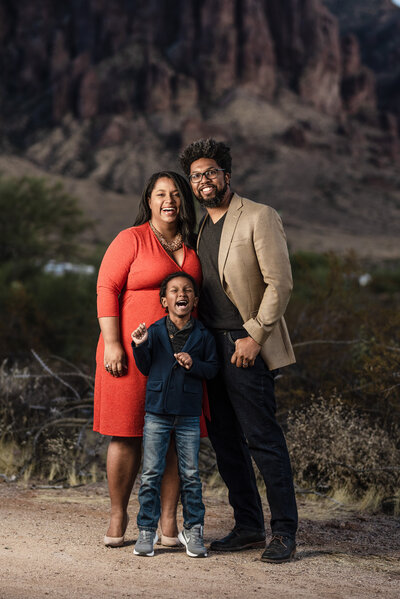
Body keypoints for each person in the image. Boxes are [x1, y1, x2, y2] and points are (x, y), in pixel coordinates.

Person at [179, 138, 298, 563]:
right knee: (227, 441)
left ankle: (283, 532)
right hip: (210, 347)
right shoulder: (200, 227)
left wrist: (255, 335)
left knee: (263, 439)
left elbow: (279, 284)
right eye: (195, 176)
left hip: (244, 344)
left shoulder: (260, 216)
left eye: (210, 172)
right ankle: (248, 526)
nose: (203, 181)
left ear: (226, 175)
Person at [93, 171, 202, 548]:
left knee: (173, 434)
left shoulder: (192, 243)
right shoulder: (131, 239)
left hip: (179, 356)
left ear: (183, 201)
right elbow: (107, 287)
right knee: (126, 432)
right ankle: (118, 516)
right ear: (149, 200)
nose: (168, 200)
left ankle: (168, 525)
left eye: (175, 193)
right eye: (160, 194)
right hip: (130, 349)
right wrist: (112, 343)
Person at [131, 272, 219, 558]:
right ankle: (146, 531)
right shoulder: (154, 331)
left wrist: (194, 364)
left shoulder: (204, 335)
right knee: (150, 474)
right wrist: (140, 344)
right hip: (156, 412)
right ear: (164, 300)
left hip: (189, 414)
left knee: (191, 475)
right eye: (174, 290)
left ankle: (193, 531)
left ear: (194, 300)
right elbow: (145, 367)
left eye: (187, 290)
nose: (181, 294)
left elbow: (213, 369)